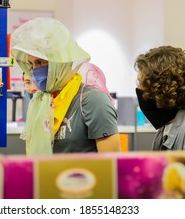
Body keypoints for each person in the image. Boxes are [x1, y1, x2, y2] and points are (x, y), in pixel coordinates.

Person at [11, 18, 121, 156]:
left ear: (60, 63)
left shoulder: (92, 100)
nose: (34, 70)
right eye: (31, 64)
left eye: (41, 62)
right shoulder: (40, 101)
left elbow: (112, 163)